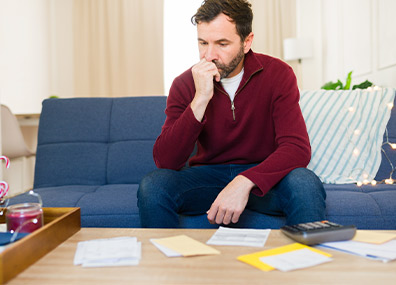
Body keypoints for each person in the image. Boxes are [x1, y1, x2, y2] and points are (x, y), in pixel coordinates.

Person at [137, 0, 326, 228]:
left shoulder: (279, 74)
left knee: (304, 182)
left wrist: (244, 182)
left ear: (247, 42)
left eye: (222, 44)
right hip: (207, 178)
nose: (209, 55)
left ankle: (308, 260)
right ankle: (168, 262)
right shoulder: (184, 84)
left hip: (261, 178)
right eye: (203, 43)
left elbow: (297, 148)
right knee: (153, 185)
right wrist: (200, 99)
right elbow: (166, 160)